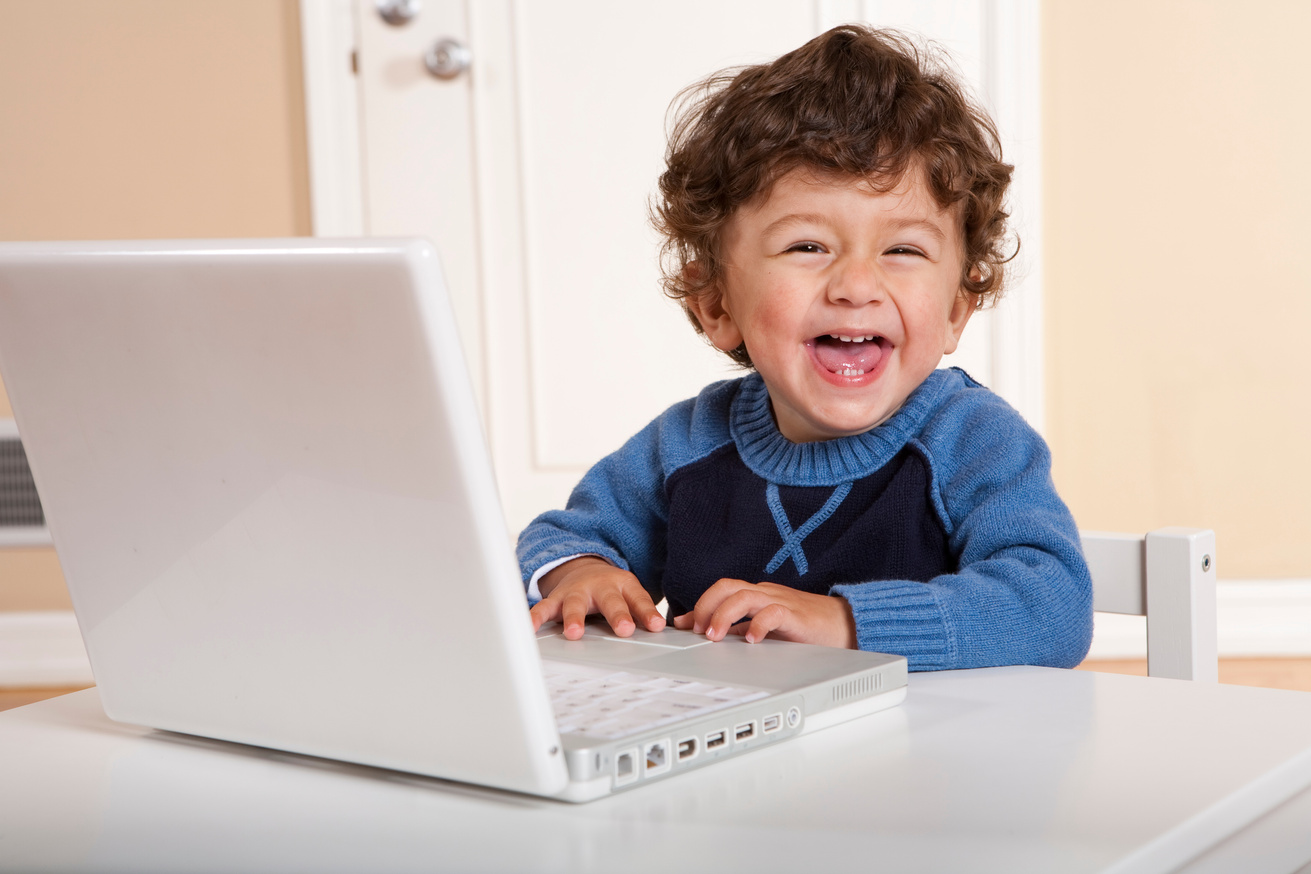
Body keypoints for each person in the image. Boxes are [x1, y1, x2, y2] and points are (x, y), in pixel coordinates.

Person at [516, 25, 1092, 671]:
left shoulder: (971, 443)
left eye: (902, 250)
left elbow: (1052, 608)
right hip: (738, 758)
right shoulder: (684, 447)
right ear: (715, 306)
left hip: (931, 758)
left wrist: (846, 622)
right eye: (806, 247)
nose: (854, 286)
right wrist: (579, 574)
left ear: (957, 310)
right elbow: (560, 540)